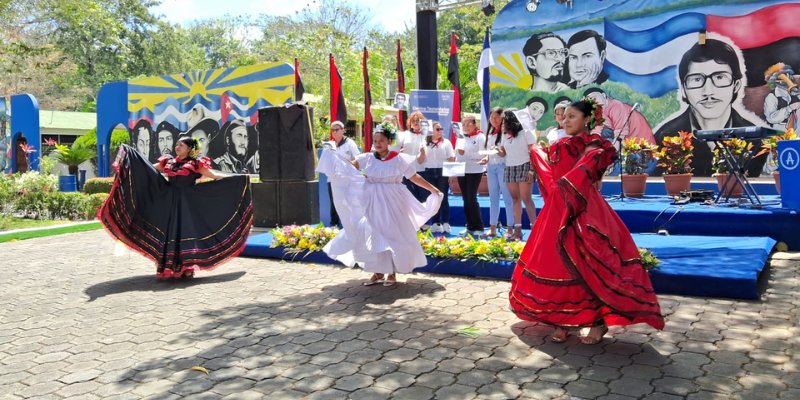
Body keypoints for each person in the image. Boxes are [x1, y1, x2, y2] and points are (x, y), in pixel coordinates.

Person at [509, 98, 664, 344]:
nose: (566, 120)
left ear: (587, 120)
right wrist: (536, 151)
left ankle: (598, 323)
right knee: (557, 262)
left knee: (589, 264)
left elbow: (580, 174)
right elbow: (552, 177)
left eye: (572, 116)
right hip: (557, 209)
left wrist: (557, 172)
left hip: (584, 210)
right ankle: (562, 320)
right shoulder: (560, 144)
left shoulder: (594, 145)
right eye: (565, 116)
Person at [98, 136, 254, 279]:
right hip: (169, 201)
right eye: (177, 144)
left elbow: (214, 175)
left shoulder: (195, 163)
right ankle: (168, 265)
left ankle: (186, 267)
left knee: (184, 231)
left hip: (187, 203)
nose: (177, 147)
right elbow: (147, 169)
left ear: (189, 149)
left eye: (181, 145)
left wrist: (239, 179)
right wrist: (131, 161)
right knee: (169, 232)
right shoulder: (168, 161)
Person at [317, 122, 443, 287]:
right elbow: (349, 168)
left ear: (389, 142)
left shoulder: (398, 159)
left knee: (391, 235)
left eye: (381, 141)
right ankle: (377, 271)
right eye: (375, 141)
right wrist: (334, 156)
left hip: (393, 201)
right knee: (373, 234)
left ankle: (391, 273)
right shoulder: (367, 158)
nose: (377, 144)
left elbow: (414, 177)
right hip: (371, 200)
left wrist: (433, 189)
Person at [654, 39, 765, 177]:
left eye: (719, 77)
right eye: (696, 79)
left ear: (735, 86)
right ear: (683, 90)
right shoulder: (665, 137)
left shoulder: (755, 140)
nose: (708, 92)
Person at [496, 111, 537, 241]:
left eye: (504, 121)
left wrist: (531, 170)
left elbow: (533, 152)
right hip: (510, 167)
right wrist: (497, 150)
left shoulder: (526, 132)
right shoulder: (504, 135)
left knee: (526, 198)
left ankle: (535, 229)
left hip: (525, 166)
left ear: (511, 121)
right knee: (515, 198)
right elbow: (503, 153)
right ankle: (517, 230)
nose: (502, 124)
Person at [479, 108, 514, 238]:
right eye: (492, 117)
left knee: (507, 198)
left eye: (497, 117)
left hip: (503, 167)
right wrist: (485, 158)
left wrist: (498, 151)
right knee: (493, 198)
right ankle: (492, 228)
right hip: (491, 168)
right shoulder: (490, 133)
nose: (494, 120)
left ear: (502, 118)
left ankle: (510, 228)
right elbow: (488, 153)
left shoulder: (506, 133)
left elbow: (504, 153)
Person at [419, 121, 455, 233]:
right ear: (431, 130)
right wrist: (422, 151)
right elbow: (420, 161)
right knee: (433, 197)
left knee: (443, 196)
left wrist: (450, 174)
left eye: (441, 129)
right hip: (428, 171)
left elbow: (451, 158)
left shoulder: (446, 142)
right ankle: (436, 222)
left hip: (442, 171)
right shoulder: (424, 142)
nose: (440, 131)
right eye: (437, 129)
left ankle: (446, 222)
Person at [584, 88, 655, 144]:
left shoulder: (616, 106)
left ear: (603, 95)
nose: (593, 102)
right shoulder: (598, 110)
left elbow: (621, 133)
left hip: (639, 142)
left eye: (594, 98)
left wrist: (613, 151)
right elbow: (597, 130)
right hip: (622, 140)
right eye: (589, 100)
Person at [456, 116, 486, 236]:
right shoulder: (460, 137)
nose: (466, 127)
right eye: (463, 124)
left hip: (475, 170)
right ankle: (469, 226)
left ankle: (478, 226)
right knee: (465, 199)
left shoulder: (480, 136)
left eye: (468, 124)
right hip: (461, 169)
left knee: (471, 198)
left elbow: (482, 154)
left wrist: (466, 153)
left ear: (474, 125)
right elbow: (457, 153)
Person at [326, 120, 361, 227]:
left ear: (343, 130)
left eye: (337, 129)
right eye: (333, 130)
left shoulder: (350, 143)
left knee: (348, 203)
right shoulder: (329, 145)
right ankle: (334, 226)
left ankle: (352, 226)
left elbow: (358, 159)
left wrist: (347, 165)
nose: (334, 132)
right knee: (334, 203)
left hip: (348, 179)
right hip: (332, 179)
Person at [397, 111, 428, 202]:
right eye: (413, 121)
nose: (415, 122)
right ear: (410, 124)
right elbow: (394, 148)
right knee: (410, 199)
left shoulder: (427, 136)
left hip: (423, 171)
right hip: (407, 171)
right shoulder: (404, 134)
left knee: (424, 199)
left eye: (418, 120)